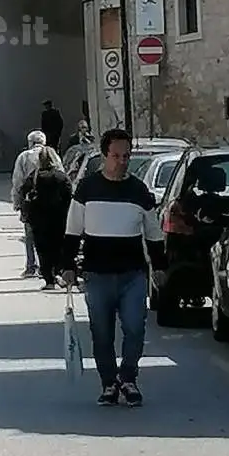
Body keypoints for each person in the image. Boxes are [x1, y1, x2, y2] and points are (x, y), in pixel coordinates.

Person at [61, 127, 166, 407]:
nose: (122, 161)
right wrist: (68, 265)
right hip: (97, 274)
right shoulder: (87, 189)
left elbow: (153, 232)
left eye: (126, 156)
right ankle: (109, 383)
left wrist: (159, 266)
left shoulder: (139, 191)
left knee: (135, 329)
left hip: (132, 274)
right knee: (102, 333)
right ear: (105, 155)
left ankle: (128, 378)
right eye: (116, 155)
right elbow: (73, 229)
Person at [20, 147, 72, 289]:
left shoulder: (34, 177)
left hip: (39, 220)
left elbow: (23, 191)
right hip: (59, 218)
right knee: (59, 247)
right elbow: (69, 195)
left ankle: (49, 279)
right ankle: (59, 272)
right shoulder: (61, 176)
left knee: (43, 250)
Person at [11, 130, 46, 277]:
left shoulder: (24, 157)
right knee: (48, 234)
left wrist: (16, 201)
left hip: (29, 200)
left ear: (30, 143)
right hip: (49, 200)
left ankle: (32, 266)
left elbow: (18, 181)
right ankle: (48, 267)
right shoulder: (50, 154)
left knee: (30, 235)